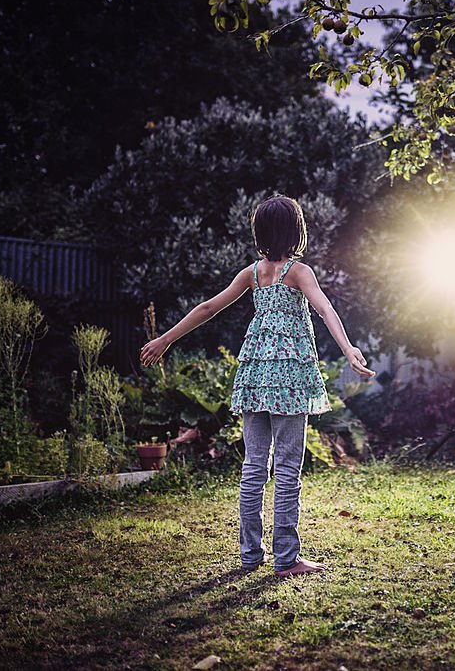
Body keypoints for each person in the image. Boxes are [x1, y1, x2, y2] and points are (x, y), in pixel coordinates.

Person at [139, 195, 374, 578]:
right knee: (286, 468)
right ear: (296, 230)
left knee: (253, 466)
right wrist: (349, 350)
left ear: (259, 233)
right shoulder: (299, 272)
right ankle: (286, 559)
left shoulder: (253, 273)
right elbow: (325, 308)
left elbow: (206, 309)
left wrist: (166, 338)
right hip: (288, 378)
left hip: (254, 373)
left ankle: (251, 556)